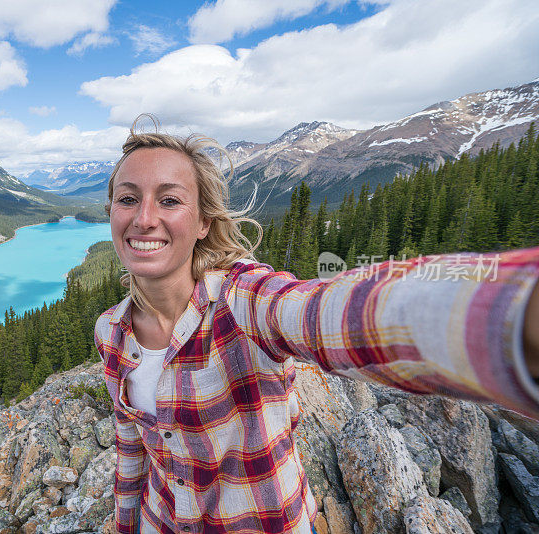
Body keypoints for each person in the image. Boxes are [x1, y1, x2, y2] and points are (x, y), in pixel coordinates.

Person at [93, 117, 539, 534]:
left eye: (169, 200)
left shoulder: (242, 302)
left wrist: (512, 318)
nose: (144, 217)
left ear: (204, 222)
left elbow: (323, 314)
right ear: (112, 210)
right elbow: (131, 448)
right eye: (128, 198)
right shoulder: (111, 332)